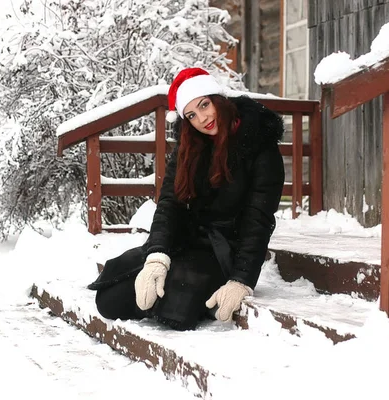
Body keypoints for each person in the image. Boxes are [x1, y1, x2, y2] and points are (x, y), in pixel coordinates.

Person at [87, 68, 285, 331]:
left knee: (178, 310)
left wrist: (241, 280)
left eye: (205, 105)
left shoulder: (260, 144)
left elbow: (258, 219)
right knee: (110, 300)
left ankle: (178, 297)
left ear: (218, 99)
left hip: (226, 247)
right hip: (186, 239)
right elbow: (169, 203)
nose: (202, 118)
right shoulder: (189, 145)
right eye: (191, 115)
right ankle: (165, 288)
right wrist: (157, 256)